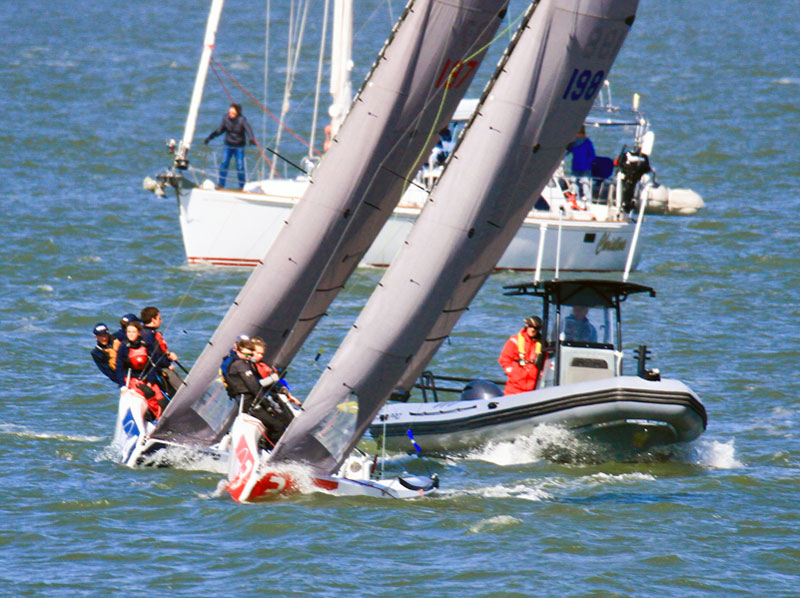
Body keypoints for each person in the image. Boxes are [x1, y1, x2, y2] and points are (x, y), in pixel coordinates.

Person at [221, 336, 294, 448]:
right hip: (249, 403)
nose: (250, 357)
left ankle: (267, 446)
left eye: (250, 355)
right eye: (248, 355)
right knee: (277, 426)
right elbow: (254, 386)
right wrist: (267, 403)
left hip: (253, 400)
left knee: (282, 421)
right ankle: (269, 450)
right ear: (238, 350)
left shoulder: (243, 363)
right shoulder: (241, 365)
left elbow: (258, 385)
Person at [115, 320, 168, 420]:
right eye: (128, 332)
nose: (131, 334)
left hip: (146, 378)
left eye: (133, 332)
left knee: (161, 400)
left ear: (139, 333)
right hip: (132, 379)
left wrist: (150, 381)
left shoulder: (146, 345)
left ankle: (160, 419)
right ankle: (150, 417)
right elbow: (119, 367)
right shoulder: (123, 347)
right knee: (148, 393)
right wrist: (123, 386)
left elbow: (153, 364)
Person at [204, 103, 256, 189]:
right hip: (228, 145)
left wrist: (251, 139)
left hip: (239, 147)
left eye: (233, 113)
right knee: (224, 163)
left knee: (240, 166)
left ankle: (242, 186)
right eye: (229, 113)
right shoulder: (226, 118)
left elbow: (248, 130)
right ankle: (221, 184)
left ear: (237, 114)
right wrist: (210, 137)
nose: (230, 115)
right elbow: (220, 130)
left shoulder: (242, 120)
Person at [140, 306, 182, 396]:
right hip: (158, 370)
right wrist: (168, 363)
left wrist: (167, 355)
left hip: (149, 370)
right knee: (182, 389)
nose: (161, 321)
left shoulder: (142, 332)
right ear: (153, 319)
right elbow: (154, 356)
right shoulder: (149, 335)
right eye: (159, 318)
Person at [498, 316, 544, 395]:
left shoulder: (542, 344)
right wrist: (512, 373)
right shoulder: (514, 340)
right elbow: (504, 359)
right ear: (526, 326)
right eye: (530, 326)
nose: (533, 329)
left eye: (536, 328)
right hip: (514, 387)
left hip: (533, 388)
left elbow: (546, 362)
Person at [566, 125, 595, 200]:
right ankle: (576, 199)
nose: (578, 135)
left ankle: (588, 200)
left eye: (580, 133)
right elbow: (567, 152)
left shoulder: (587, 142)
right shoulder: (573, 143)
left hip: (585, 168)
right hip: (575, 167)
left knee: (585, 184)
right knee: (574, 184)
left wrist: (587, 163)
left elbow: (592, 155)